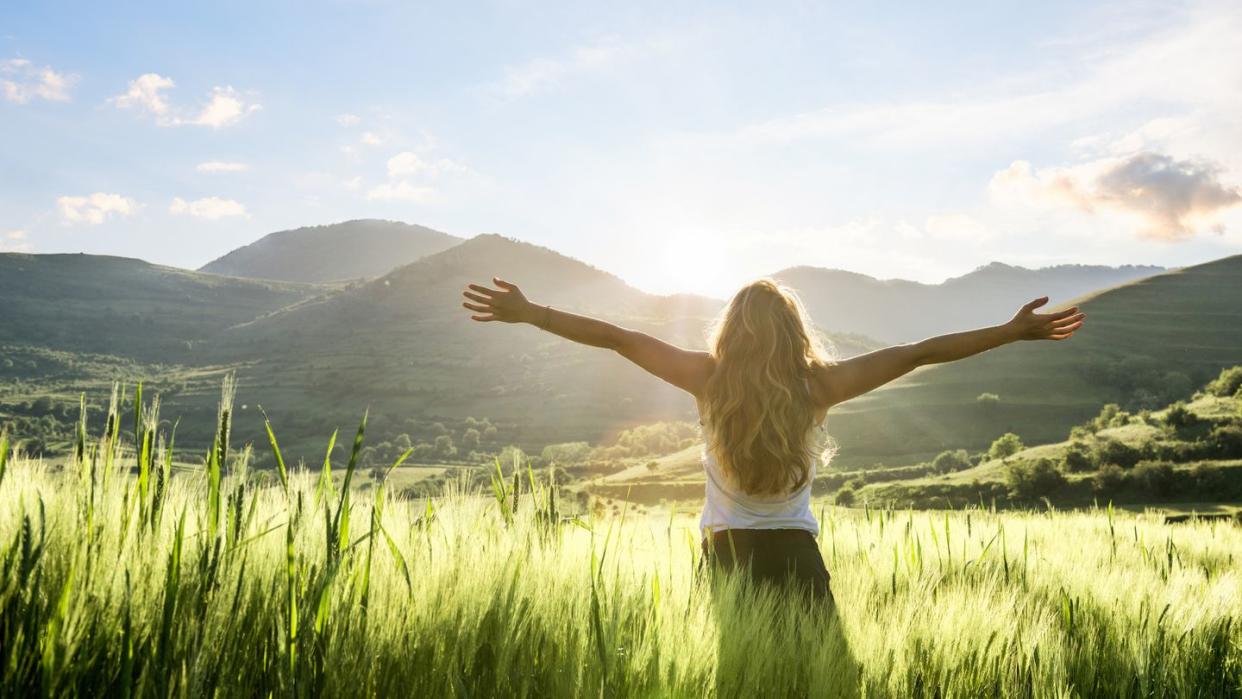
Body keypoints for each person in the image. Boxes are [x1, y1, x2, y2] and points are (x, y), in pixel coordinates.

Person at [460, 277, 1085, 603]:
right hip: (798, 558)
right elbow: (920, 352)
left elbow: (620, 338)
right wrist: (1009, 332)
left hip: (725, 557)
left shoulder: (705, 378)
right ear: (794, 332)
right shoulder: (821, 387)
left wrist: (534, 313)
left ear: (731, 331)